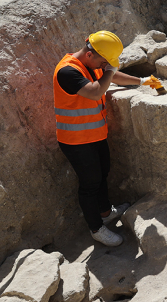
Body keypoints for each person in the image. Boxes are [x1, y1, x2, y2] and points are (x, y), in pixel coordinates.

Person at [54, 30, 157, 246]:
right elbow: (94, 91)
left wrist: (142, 81)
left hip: (94, 135)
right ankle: (96, 228)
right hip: (76, 141)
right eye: (103, 62)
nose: (104, 66)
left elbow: (111, 75)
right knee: (90, 183)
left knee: (102, 174)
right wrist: (109, 70)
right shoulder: (67, 71)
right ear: (90, 55)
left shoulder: (90, 66)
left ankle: (105, 212)